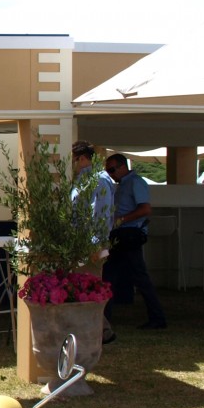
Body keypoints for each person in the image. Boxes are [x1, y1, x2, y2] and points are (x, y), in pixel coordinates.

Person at [101, 153, 167, 330]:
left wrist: (120, 220)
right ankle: (104, 319)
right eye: (108, 171)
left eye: (112, 170)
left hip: (129, 234)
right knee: (110, 276)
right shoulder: (122, 184)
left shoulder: (136, 182)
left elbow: (145, 209)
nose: (111, 174)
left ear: (123, 167)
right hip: (120, 234)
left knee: (135, 276)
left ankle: (157, 317)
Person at [71, 140, 116, 348]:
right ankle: (101, 331)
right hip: (83, 243)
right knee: (83, 288)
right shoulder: (86, 178)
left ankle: (101, 332)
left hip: (91, 245)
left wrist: (96, 245)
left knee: (89, 289)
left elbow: (101, 214)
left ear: (81, 158)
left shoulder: (98, 180)